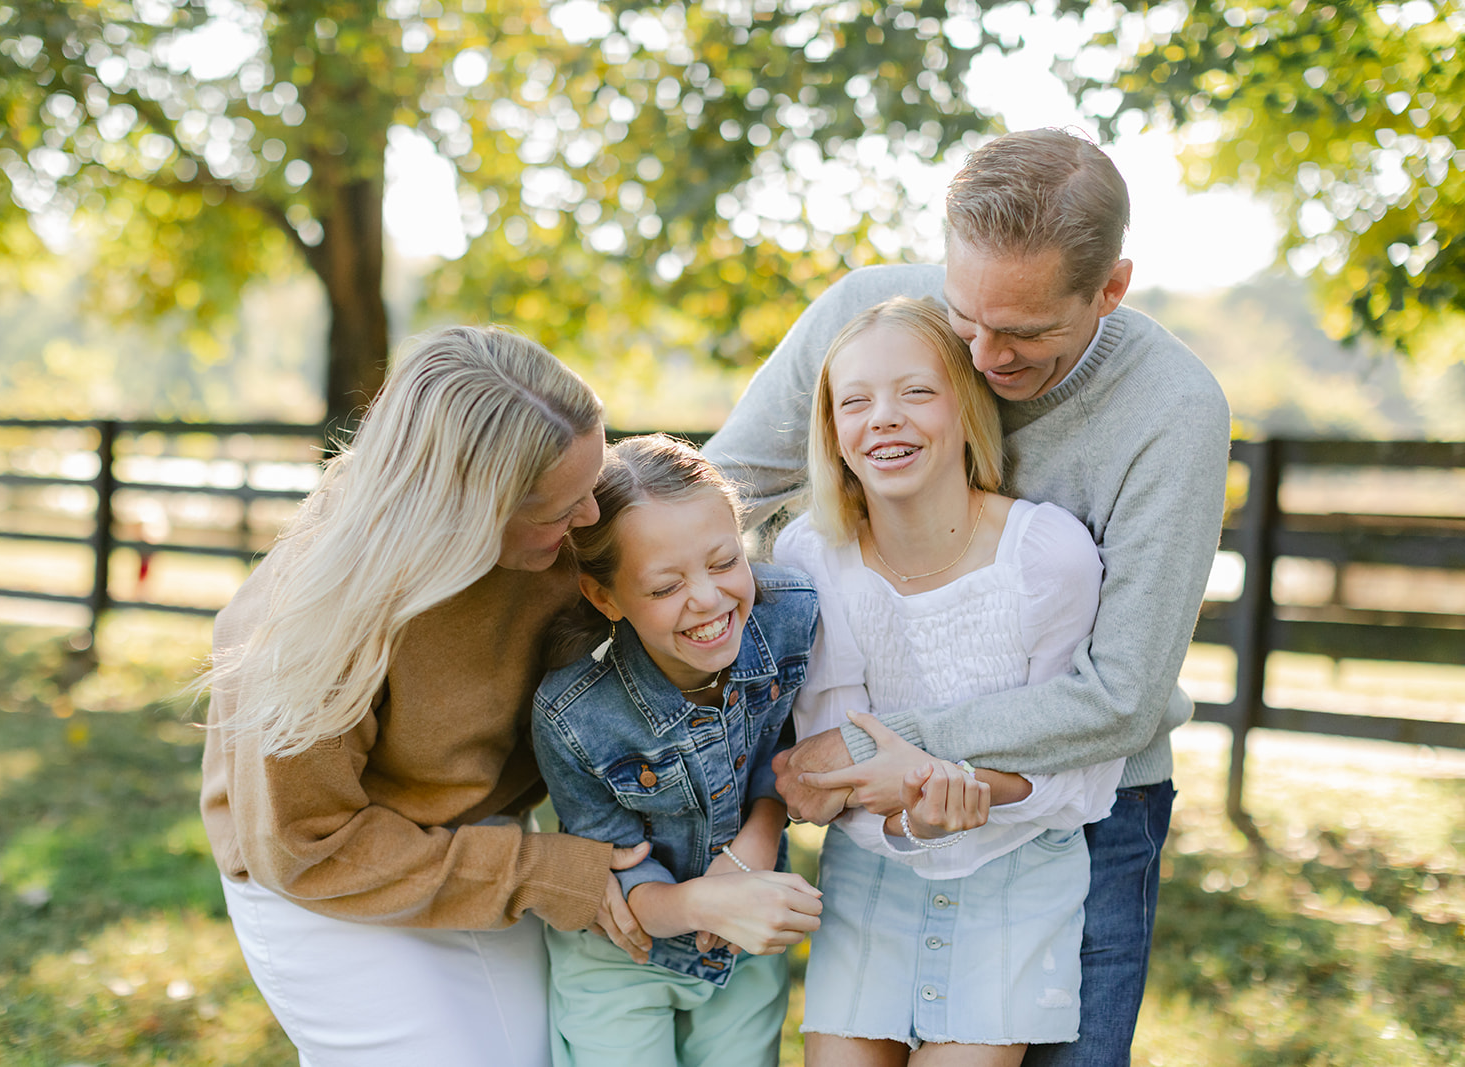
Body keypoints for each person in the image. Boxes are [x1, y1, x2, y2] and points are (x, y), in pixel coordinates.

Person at [704, 128, 1233, 1066]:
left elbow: (1121, 696)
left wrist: (872, 744)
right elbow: (719, 495)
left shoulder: (1172, 410)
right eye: (964, 317)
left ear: (1110, 289)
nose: (983, 357)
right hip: (879, 823)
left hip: (1090, 797)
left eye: (1024, 332)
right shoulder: (868, 315)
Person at [198, 326, 653, 1067]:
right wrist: (546, 871)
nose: (591, 521)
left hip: (476, 841)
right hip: (329, 882)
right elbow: (308, 847)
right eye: (555, 510)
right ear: (465, 508)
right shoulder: (315, 619)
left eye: (592, 484)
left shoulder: (571, 514)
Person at [771, 296, 1123, 1064]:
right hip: (870, 874)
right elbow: (832, 769)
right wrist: (911, 818)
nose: (884, 418)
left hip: (1017, 875)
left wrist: (967, 785)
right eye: (855, 401)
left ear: (966, 408)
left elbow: (1081, 774)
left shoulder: (1046, 556)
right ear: (833, 433)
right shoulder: (813, 559)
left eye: (916, 392)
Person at [532, 434, 824, 1067]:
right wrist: (700, 902)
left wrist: (750, 854)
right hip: (623, 953)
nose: (709, 599)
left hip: (741, 947)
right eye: (666, 587)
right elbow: (613, 860)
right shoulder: (574, 714)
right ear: (604, 597)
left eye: (724, 562)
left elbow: (791, 750)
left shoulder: (792, 618)